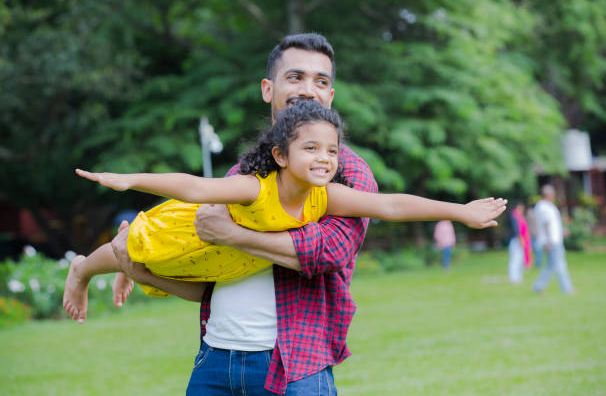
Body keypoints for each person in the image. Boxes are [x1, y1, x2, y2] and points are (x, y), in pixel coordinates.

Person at [105, 33, 498, 395]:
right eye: (295, 77)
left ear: (331, 94)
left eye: (321, 81)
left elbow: (327, 251)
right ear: (268, 89)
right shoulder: (244, 176)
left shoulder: (340, 174)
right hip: (215, 358)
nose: (309, 89)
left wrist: (460, 211)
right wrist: (137, 268)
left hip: (292, 365)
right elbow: (201, 256)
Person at [64, 100, 506, 313]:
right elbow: (195, 188)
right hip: (187, 230)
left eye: (331, 151)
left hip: (219, 259)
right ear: (280, 155)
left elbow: (389, 203)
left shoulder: (325, 197)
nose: (324, 159)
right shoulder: (254, 188)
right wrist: (130, 180)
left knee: (153, 271)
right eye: (310, 148)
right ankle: (83, 269)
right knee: (137, 244)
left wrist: (460, 210)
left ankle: (126, 264)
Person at [532, 184, 575, 295]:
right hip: (552, 242)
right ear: (548, 194)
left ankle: (538, 287)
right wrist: (549, 241)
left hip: (554, 240)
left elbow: (552, 224)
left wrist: (561, 231)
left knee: (551, 266)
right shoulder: (543, 207)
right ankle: (567, 289)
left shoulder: (548, 206)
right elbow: (546, 225)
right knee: (560, 265)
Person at [507, 202, 531, 283]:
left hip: (520, 240)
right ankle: (513, 278)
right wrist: (520, 240)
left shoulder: (520, 216)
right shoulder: (514, 216)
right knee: (515, 259)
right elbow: (516, 230)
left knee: (520, 259)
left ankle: (518, 277)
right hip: (516, 240)